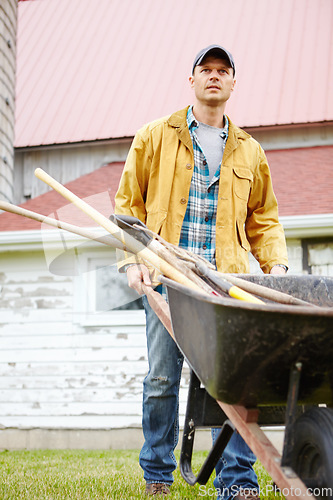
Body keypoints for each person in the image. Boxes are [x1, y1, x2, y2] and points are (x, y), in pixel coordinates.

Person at [114, 44, 288, 498]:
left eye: (222, 70)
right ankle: (156, 474)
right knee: (161, 380)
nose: (214, 76)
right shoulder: (155, 135)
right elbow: (128, 206)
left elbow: (263, 219)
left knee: (231, 381)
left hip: (222, 285)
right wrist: (134, 261)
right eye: (204, 69)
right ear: (190, 80)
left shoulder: (249, 150)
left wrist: (277, 266)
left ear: (233, 83)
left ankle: (237, 481)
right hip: (166, 276)